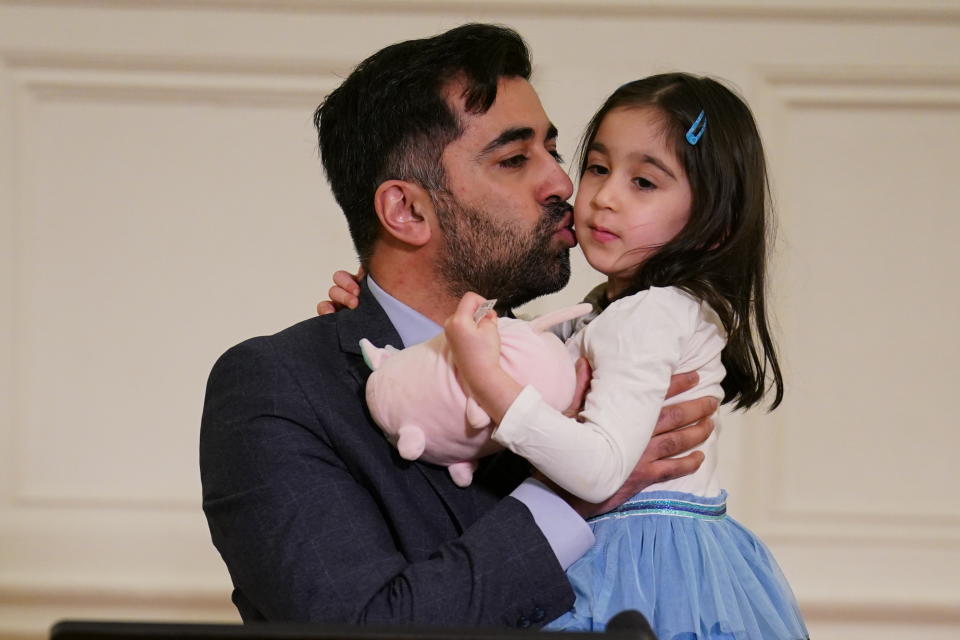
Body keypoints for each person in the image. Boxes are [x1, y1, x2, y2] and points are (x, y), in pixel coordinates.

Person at [199, 24, 717, 628]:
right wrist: (574, 490)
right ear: (408, 210)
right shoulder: (282, 388)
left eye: (552, 150)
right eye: (516, 158)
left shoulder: (581, 358)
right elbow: (360, 626)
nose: (563, 184)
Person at [442, 74, 808, 638]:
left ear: (715, 225)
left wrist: (484, 377)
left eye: (643, 182)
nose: (605, 196)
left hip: (636, 568)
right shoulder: (618, 312)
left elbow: (598, 471)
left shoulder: (647, 316)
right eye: (597, 167)